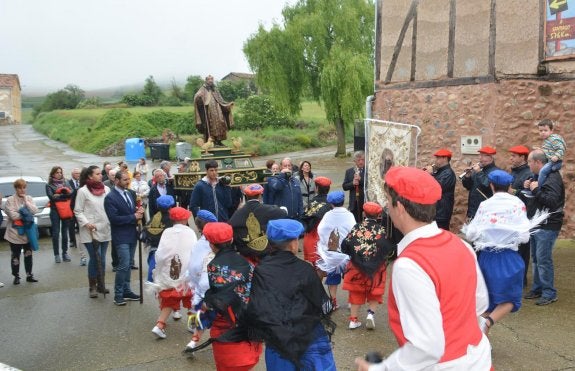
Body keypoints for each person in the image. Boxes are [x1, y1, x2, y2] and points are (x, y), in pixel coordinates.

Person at [356, 166, 491, 370]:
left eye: (388, 202)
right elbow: (480, 305)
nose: (387, 208)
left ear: (399, 207)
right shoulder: (461, 245)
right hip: (478, 359)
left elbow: (427, 347)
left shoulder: (410, 265)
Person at [246, 219, 337, 370]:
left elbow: (258, 307)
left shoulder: (261, 271)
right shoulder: (305, 269)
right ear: (293, 244)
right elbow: (325, 306)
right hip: (309, 339)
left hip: (277, 342)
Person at [462, 170, 534, 334]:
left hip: (486, 258)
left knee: (486, 300)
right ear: (509, 186)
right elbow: (524, 236)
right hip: (508, 258)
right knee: (511, 299)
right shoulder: (517, 204)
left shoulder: (484, 205)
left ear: (491, 186)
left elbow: (471, 234)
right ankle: (487, 323)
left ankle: (482, 340)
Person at [202, 222, 262, 370]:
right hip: (250, 332)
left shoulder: (209, 267)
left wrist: (196, 324)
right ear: (231, 240)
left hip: (227, 335)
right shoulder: (247, 263)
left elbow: (203, 303)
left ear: (211, 244)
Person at [341, 202, 396, 330]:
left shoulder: (356, 227)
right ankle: (370, 315)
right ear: (379, 216)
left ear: (364, 214)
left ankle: (353, 320)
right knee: (375, 292)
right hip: (376, 268)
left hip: (356, 266)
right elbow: (389, 250)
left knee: (355, 292)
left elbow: (345, 245)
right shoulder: (382, 230)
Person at [523, 149, 565, 306]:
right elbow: (538, 198)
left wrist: (535, 189)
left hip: (548, 225)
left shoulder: (552, 178)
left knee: (543, 260)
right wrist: (528, 187)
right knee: (536, 259)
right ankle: (538, 288)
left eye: (529, 162)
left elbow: (552, 201)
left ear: (538, 162)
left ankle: (549, 292)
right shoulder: (538, 176)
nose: (528, 165)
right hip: (537, 223)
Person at [149, 206, 197, 339]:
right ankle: (193, 324)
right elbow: (194, 251)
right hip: (186, 272)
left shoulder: (167, 232)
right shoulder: (190, 232)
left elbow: (161, 254)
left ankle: (159, 325)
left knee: (170, 300)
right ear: (184, 219)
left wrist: (158, 271)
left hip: (170, 272)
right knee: (192, 298)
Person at [104, 170, 145, 306]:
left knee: (128, 265)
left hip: (132, 234)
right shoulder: (110, 197)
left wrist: (138, 212)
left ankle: (127, 290)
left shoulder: (129, 194)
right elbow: (114, 219)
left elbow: (131, 211)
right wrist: (133, 217)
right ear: (116, 181)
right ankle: (118, 294)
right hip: (120, 235)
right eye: (125, 180)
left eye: (129, 179)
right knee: (123, 264)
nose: (128, 182)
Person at [74, 166, 111, 298]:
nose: (101, 175)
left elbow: (110, 206)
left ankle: (101, 284)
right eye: (97, 174)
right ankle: (92, 286)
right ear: (90, 176)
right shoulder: (83, 191)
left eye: (101, 173)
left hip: (105, 228)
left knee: (102, 259)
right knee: (96, 258)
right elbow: (77, 210)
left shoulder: (106, 189)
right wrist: (86, 223)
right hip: (90, 230)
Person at [316, 190, 356, 309]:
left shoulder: (327, 215)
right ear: (343, 202)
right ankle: (351, 302)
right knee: (349, 277)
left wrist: (325, 244)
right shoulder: (349, 215)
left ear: (331, 203)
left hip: (331, 253)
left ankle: (333, 300)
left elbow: (321, 230)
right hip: (346, 254)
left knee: (332, 276)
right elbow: (353, 231)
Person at [228, 183, 287, 265]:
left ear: (246, 196)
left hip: (247, 257)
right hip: (267, 256)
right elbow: (284, 212)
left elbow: (230, 225)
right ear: (260, 196)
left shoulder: (238, 213)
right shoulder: (269, 209)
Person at [185, 210, 218, 352]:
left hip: (195, 283)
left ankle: (193, 336)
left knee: (195, 309)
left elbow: (191, 263)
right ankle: (194, 340)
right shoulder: (210, 247)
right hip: (207, 286)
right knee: (208, 314)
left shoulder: (198, 243)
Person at [4, 178, 39, 285]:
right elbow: (13, 215)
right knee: (15, 255)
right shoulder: (10, 200)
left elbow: (34, 211)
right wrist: (26, 214)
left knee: (28, 254)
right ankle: (16, 276)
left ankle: (29, 274)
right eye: (19, 188)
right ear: (16, 188)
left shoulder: (29, 198)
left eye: (24, 188)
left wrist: (27, 203)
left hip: (28, 233)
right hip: (14, 233)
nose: (22, 190)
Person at [508, 145, 533, 286]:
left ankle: (521, 279)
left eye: (514, 156)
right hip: (512, 216)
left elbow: (528, 196)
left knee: (523, 250)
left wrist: (514, 192)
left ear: (522, 158)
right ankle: (514, 278)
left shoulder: (528, 174)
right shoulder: (513, 173)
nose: (511, 158)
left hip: (523, 217)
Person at [522, 119, 567, 197]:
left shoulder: (554, 139)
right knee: (534, 174)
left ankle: (538, 188)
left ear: (551, 130)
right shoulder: (547, 140)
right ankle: (531, 188)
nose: (542, 132)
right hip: (550, 161)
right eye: (541, 130)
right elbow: (548, 151)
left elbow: (561, 148)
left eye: (545, 130)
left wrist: (556, 156)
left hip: (555, 162)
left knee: (542, 171)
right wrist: (541, 149)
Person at [301, 177, 333, 270]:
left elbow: (305, 217)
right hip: (328, 237)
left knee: (317, 265)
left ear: (317, 188)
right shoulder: (332, 203)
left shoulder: (312, 202)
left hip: (313, 236)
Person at [461, 146, 501, 220]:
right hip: (473, 211)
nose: (480, 158)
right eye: (480, 155)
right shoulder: (478, 171)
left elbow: (488, 186)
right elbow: (468, 187)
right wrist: (467, 177)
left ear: (491, 158)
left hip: (486, 212)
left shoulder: (496, 172)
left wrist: (479, 172)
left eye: (483, 156)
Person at [194, 75, 234, 146]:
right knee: (211, 126)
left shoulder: (215, 90)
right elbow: (196, 96)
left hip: (218, 111)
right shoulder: (203, 89)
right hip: (209, 112)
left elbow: (221, 100)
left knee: (221, 124)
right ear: (206, 81)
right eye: (209, 80)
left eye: (212, 80)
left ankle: (219, 141)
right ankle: (212, 142)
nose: (210, 81)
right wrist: (199, 97)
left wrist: (227, 105)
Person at [143, 195, 175, 283]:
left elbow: (144, 235)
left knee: (154, 272)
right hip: (169, 251)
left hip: (155, 250)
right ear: (171, 206)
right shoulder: (174, 220)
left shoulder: (154, 218)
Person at [424, 149, 456, 230]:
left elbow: (437, 188)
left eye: (438, 158)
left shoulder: (449, 173)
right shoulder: (439, 172)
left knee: (441, 236)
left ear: (445, 159)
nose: (436, 160)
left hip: (442, 213)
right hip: (436, 212)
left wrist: (430, 175)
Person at [46, 166, 72, 263]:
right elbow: (52, 198)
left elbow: (71, 193)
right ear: (53, 174)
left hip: (65, 209)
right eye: (57, 172)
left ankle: (65, 253)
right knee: (56, 233)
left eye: (60, 172)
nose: (59, 174)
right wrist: (64, 196)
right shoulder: (49, 185)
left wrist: (60, 195)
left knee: (65, 232)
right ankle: (56, 254)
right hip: (55, 210)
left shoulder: (66, 182)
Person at [342, 150, 366, 222]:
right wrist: (352, 183)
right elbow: (344, 186)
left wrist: (360, 180)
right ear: (354, 161)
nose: (361, 162)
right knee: (355, 223)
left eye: (363, 160)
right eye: (359, 160)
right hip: (353, 203)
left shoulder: (368, 171)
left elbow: (371, 185)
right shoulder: (349, 171)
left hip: (365, 201)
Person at [67, 167, 81, 250]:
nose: (78, 175)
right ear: (72, 174)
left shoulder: (82, 183)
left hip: (80, 207)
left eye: (79, 173)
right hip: (71, 207)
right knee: (71, 225)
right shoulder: (68, 183)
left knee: (80, 224)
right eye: (76, 173)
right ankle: (72, 240)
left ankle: (82, 240)